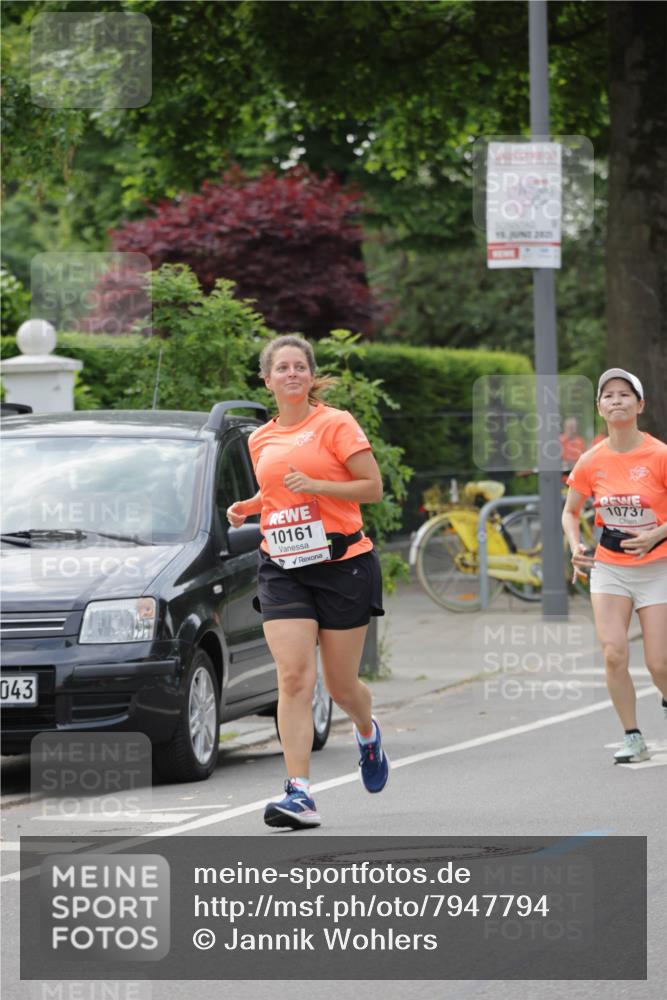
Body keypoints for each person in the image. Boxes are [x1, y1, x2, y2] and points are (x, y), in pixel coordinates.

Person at [226, 334, 389, 828]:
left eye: (300, 366)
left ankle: (366, 731)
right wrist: (250, 506)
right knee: (294, 677)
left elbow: (372, 488)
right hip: (283, 566)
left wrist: (318, 485)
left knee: (341, 686)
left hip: (343, 564)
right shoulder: (259, 438)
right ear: (267, 380)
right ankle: (299, 792)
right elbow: (278, 491)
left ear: (311, 375)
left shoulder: (336, 423)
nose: (292, 373)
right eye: (283, 368)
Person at [562, 369, 667, 763]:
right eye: (608, 395)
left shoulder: (660, 455)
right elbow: (570, 512)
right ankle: (633, 737)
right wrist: (576, 544)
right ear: (599, 408)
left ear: (640, 405)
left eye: (625, 394)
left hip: (658, 567)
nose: (616, 400)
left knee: (659, 663)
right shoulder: (591, 461)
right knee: (613, 654)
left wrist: (656, 534)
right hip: (610, 569)